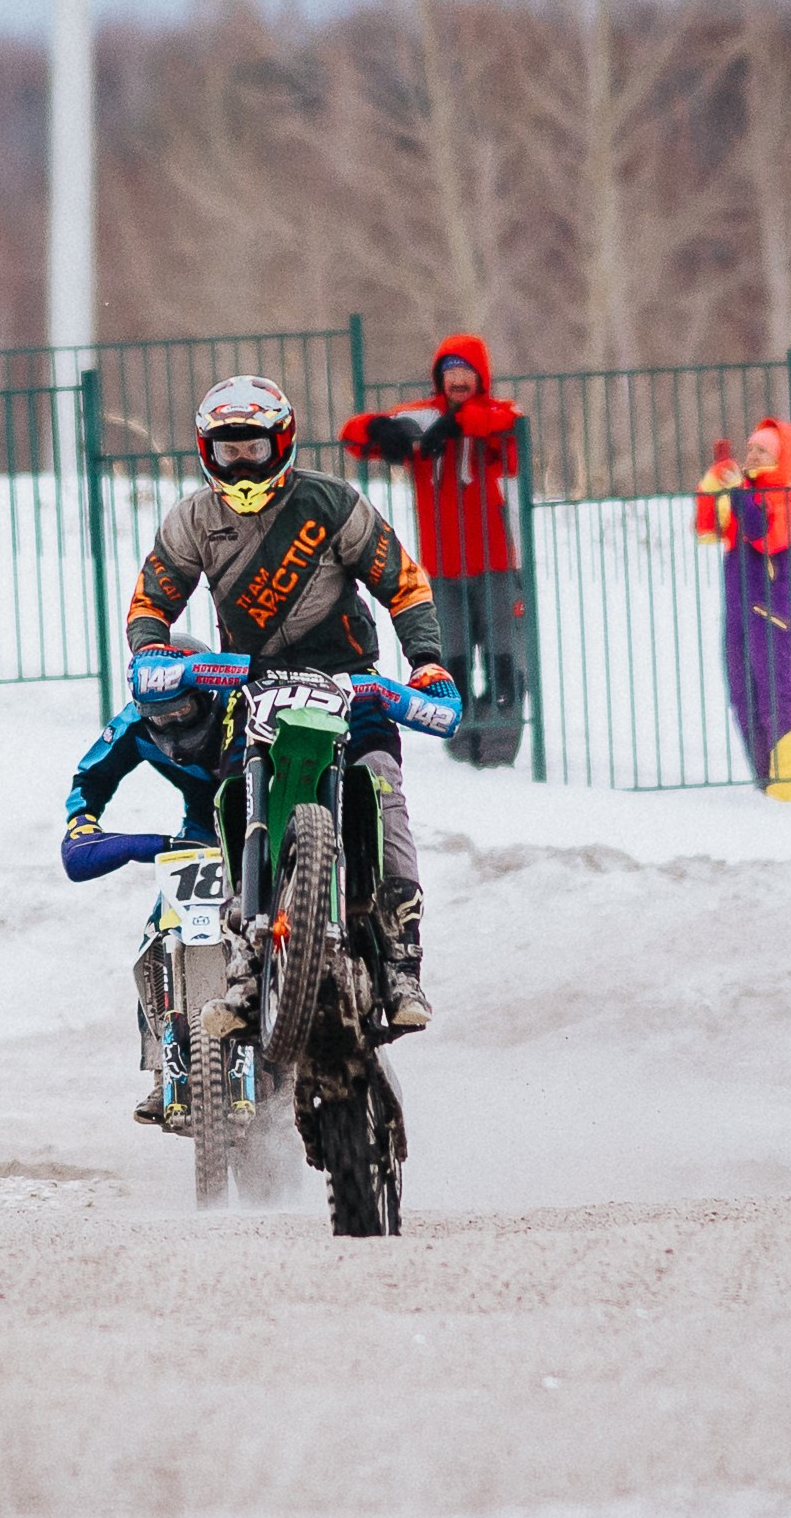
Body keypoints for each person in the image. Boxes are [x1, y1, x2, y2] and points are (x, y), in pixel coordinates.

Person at [71, 375, 456, 1062]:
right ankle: (243, 962)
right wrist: (150, 651)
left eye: (253, 446)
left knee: (383, 793)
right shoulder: (194, 520)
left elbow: (404, 580)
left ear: (282, 441)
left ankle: (402, 958)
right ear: (205, 450)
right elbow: (151, 594)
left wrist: (425, 661)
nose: (242, 462)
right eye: (228, 449)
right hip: (254, 690)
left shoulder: (333, 503)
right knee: (231, 799)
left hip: (354, 687)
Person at [339, 333, 527, 767]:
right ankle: (461, 745)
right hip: (440, 568)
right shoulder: (423, 418)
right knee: (451, 659)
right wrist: (381, 429)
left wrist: (460, 424)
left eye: (466, 371)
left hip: (498, 562)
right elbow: (352, 436)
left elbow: (508, 424)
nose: (457, 379)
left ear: (481, 376)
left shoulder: (499, 415)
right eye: (449, 372)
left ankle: (501, 744)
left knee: (505, 657)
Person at [695, 417, 791, 799]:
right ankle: (764, 779)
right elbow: (708, 531)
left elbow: (763, 536)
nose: (752, 455)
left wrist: (740, 495)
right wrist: (711, 489)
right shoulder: (743, 491)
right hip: (737, 611)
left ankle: (790, 786)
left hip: (772, 612)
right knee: (741, 694)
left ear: (782, 458)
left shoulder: (790, 497)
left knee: (775, 694)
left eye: (761, 450)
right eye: (751, 448)